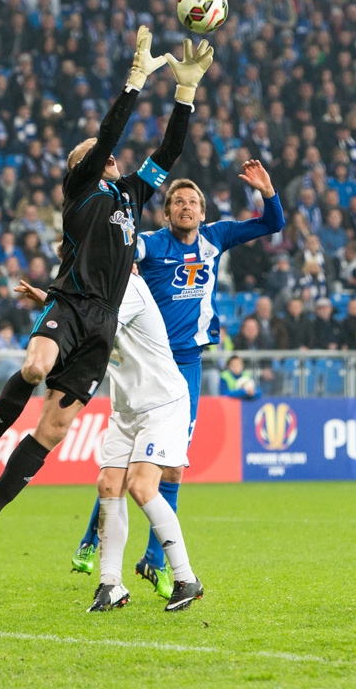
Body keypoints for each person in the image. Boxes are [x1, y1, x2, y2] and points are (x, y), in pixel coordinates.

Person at [0, 28, 210, 560]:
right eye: (97, 155)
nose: (108, 157)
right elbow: (109, 135)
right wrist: (134, 83)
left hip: (103, 322)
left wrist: (186, 94)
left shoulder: (132, 194)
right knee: (37, 368)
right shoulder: (82, 189)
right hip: (68, 304)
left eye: (106, 156)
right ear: (82, 167)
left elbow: (171, 149)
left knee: (57, 426)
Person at [69, 161, 285, 596]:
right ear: (165, 213)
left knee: (172, 468)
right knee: (134, 464)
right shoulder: (149, 244)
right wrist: (120, 262)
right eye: (178, 202)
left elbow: (272, 223)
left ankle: (152, 560)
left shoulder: (217, 237)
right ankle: (94, 540)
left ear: (203, 213)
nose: (186, 207)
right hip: (149, 366)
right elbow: (119, 256)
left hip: (187, 366)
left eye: (193, 202)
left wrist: (268, 190)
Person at [17, 274, 203, 612]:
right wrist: (51, 301)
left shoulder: (126, 286)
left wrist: (51, 307)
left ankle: (186, 577)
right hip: (126, 407)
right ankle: (111, 584)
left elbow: (91, 326)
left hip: (161, 403)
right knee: (107, 485)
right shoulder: (96, 290)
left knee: (141, 486)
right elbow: (83, 316)